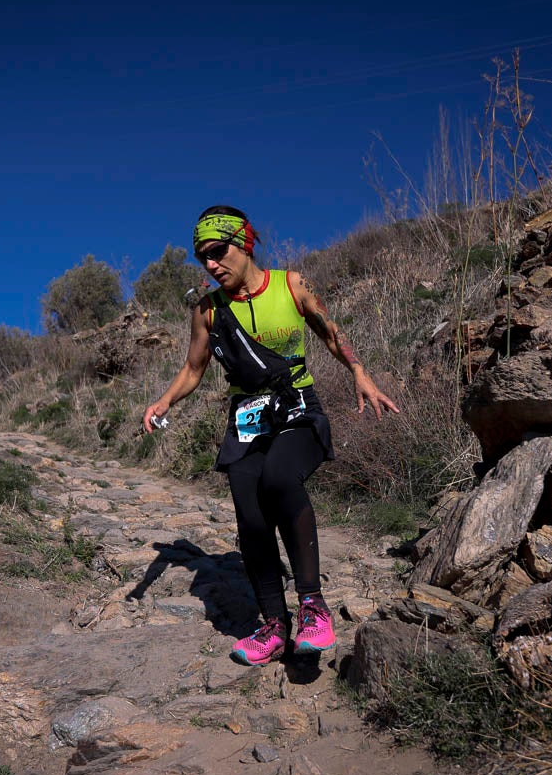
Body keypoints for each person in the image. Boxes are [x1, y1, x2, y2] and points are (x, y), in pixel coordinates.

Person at [142, 205, 399, 666]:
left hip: (297, 405)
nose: (210, 264)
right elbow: (193, 368)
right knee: (250, 514)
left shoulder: (290, 285)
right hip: (246, 418)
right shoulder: (208, 311)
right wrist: (165, 401)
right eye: (202, 257)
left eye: (217, 252)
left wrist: (360, 371)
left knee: (280, 478)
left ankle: (314, 608)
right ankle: (274, 626)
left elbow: (329, 333)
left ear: (244, 243)